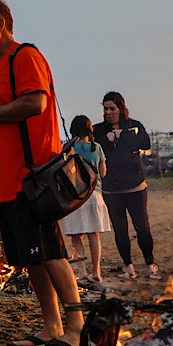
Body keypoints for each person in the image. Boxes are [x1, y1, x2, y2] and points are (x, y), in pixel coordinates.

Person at [0, 0, 83, 346]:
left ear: (0, 23)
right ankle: (51, 326)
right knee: (30, 258)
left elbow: (36, 103)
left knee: (51, 253)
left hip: (31, 179)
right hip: (5, 183)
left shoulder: (23, 56)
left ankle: (76, 328)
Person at [93, 91, 159, 280]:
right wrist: (107, 139)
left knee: (142, 227)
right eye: (105, 109)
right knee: (120, 230)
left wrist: (124, 137)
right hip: (111, 189)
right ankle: (128, 267)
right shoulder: (98, 131)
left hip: (135, 187)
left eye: (112, 108)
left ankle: (150, 265)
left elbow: (146, 143)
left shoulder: (134, 126)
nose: (108, 112)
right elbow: (92, 146)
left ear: (121, 108)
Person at [60, 115, 111, 282]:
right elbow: (103, 172)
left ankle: (81, 271)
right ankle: (96, 271)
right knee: (93, 235)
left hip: (74, 197)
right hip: (94, 195)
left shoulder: (69, 147)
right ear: (90, 129)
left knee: (76, 235)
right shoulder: (97, 147)